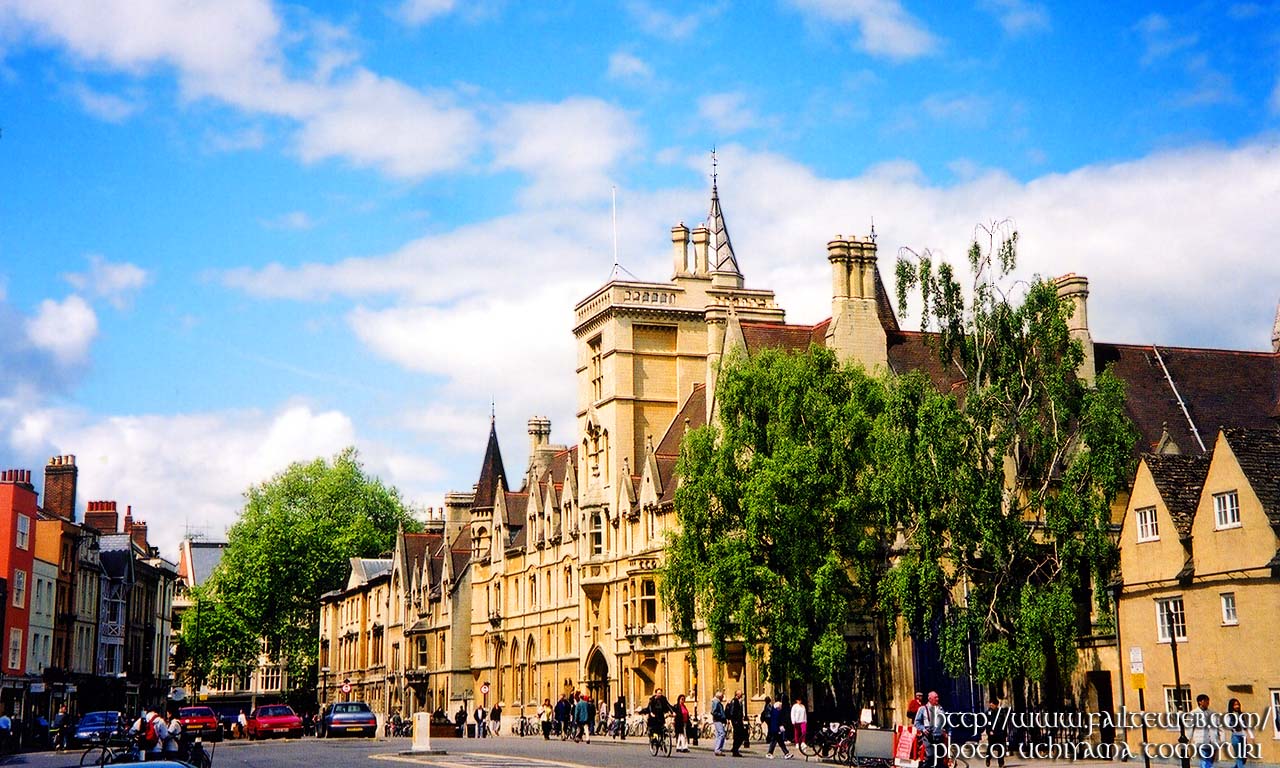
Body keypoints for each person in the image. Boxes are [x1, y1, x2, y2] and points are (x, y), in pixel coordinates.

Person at [914, 692, 946, 768]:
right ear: (930, 698)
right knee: (930, 758)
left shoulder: (940, 708)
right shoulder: (922, 709)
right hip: (928, 737)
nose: (937, 699)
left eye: (937, 697)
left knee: (940, 759)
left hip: (939, 737)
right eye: (935, 697)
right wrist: (923, 729)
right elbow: (917, 722)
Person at [1190, 693, 1221, 768]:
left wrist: (1219, 738)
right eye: (1205, 700)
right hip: (1201, 740)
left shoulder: (1212, 713)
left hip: (1212, 741)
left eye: (1208, 700)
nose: (1207, 702)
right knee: (1205, 760)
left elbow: (1217, 726)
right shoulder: (1193, 713)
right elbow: (1189, 728)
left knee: (1210, 760)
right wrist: (1188, 740)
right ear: (1200, 702)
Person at [1225, 698, 1252, 768]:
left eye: (1238, 705)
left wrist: (1250, 735)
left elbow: (1245, 726)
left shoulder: (1241, 714)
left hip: (1243, 737)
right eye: (1235, 705)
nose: (1237, 706)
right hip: (1236, 737)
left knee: (1244, 756)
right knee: (1239, 756)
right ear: (1231, 706)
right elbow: (1228, 726)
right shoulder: (1229, 715)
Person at [984, 699, 1008, 768]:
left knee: (1001, 748)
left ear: (996, 705)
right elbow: (987, 723)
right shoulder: (988, 713)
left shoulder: (1001, 712)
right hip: (992, 733)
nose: (991, 705)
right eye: (990, 704)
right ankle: (988, 759)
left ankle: (1001, 763)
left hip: (1000, 732)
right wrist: (989, 731)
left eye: (992, 704)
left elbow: (1004, 723)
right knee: (991, 748)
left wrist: (1005, 733)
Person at [726, 690, 747, 757]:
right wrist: (735, 721)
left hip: (738, 721)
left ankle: (735, 749)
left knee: (739, 735)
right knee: (739, 736)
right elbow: (733, 712)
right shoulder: (734, 701)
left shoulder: (738, 701)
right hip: (736, 721)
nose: (742, 695)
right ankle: (735, 750)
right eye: (741, 694)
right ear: (737, 694)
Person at [711, 690, 728, 756]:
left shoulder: (716, 702)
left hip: (718, 720)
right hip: (718, 720)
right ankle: (718, 749)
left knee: (719, 735)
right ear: (719, 697)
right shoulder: (716, 702)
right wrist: (721, 716)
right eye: (722, 696)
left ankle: (717, 749)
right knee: (722, 734)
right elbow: (713, 712)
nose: (723, 698)